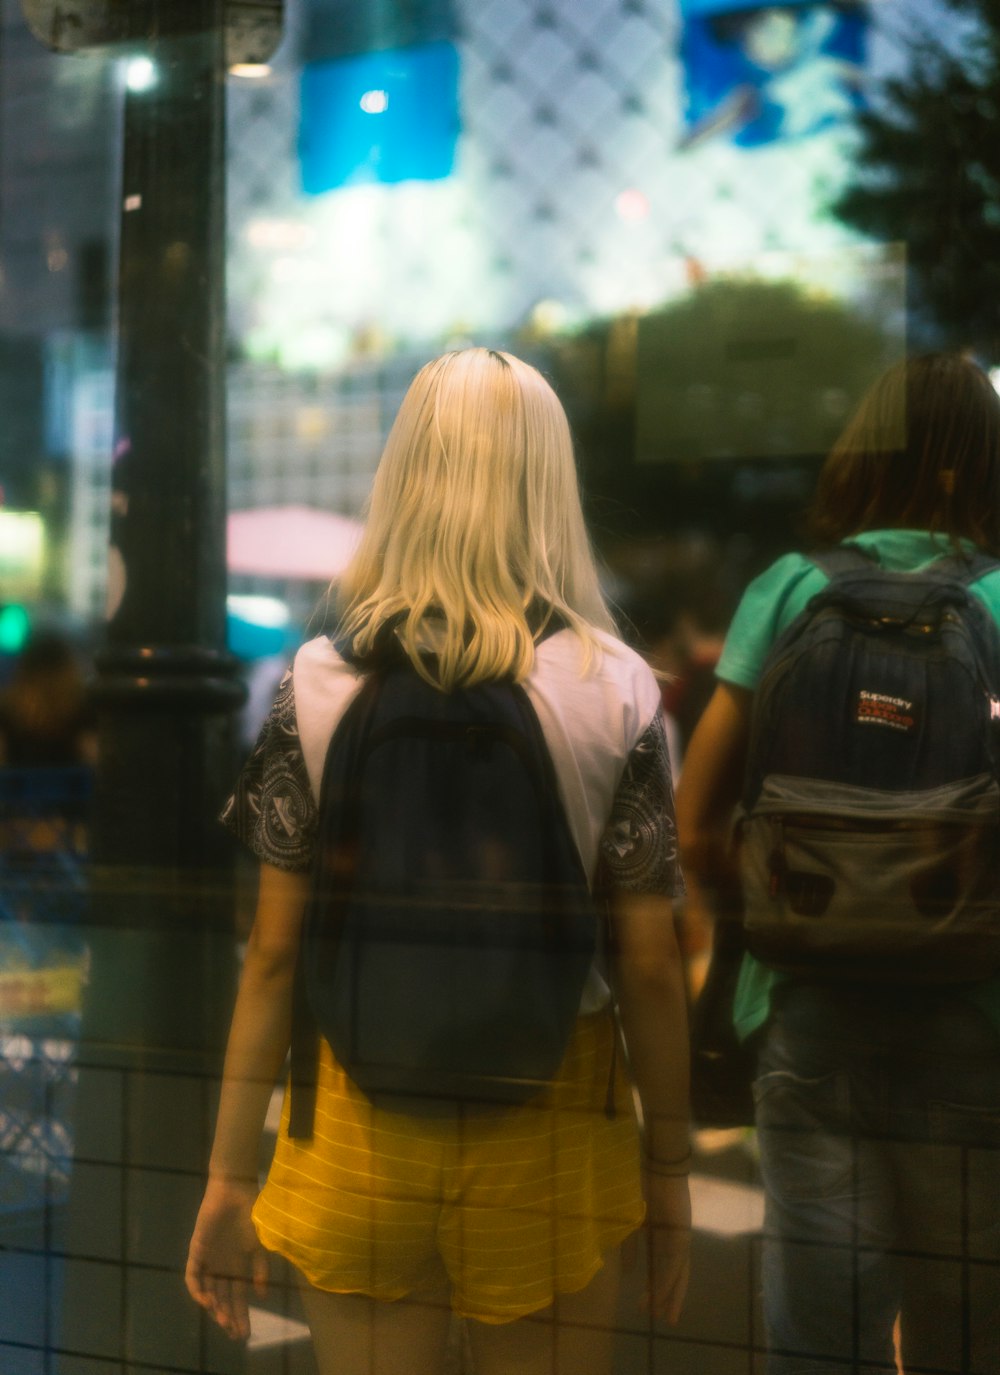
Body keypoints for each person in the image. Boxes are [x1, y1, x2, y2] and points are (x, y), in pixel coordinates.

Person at [186, 347, 691, 1375]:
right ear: (548, 484)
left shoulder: (319, 680)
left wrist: (230, 1178)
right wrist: (670, 1167)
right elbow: (645, 962)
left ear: (403, 474)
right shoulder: (617, 687)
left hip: (355, 1123)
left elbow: (273, 958)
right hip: (552, 1122)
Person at [676, 352, 1000, 1375]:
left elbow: (693, 821)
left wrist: (785, 908)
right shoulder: (996, 599)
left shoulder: (786, 591)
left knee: (821, 1331)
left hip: (806, 1002)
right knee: (966, 1325)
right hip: (972, 1013)